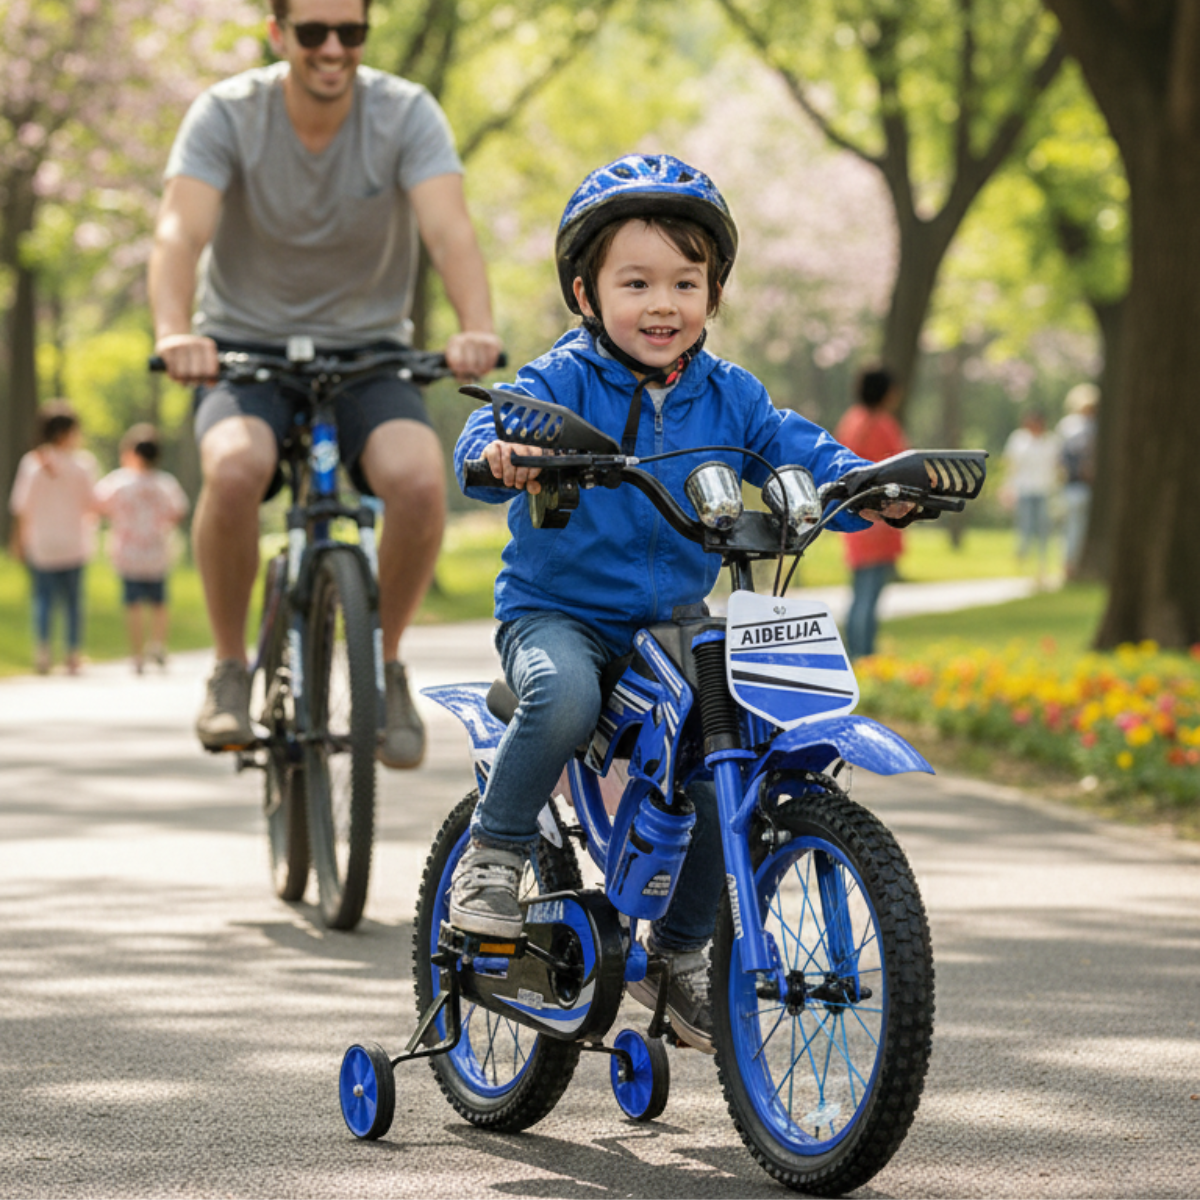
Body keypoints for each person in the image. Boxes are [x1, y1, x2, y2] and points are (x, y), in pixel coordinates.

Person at [447, 154, 911, 1052]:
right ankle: (494, 856)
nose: (662, 304)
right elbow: (493, 421)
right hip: (560, 614)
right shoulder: (563, 380)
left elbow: (795, 445)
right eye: (636, 282)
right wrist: (500, 452)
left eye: (684, 283)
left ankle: (681, 952)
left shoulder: (730, 394)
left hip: (676, 624)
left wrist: (862, 481)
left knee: (724, 753)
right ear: (586, 294)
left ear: (714, 293)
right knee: (565, 694)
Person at [149, 0, 502, 763]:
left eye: (352, 31)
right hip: (245, 349)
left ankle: (386, 665)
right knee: (235, 467)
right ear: (279, 34)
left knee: (415, 483)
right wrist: (175, 331)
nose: (333, 48)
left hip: (370, 351)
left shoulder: (405, 112)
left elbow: (449, 228)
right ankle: (228, 669)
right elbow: (180, 229)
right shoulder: (228, 113)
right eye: (313, 32)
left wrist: (475, 326)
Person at [7, 402, 99, 675]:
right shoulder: (83, 464)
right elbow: (90, 504)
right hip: (74, 542)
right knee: (72, 602)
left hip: (42, 543)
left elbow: (22, 507)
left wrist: (18, 541)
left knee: (43, 600)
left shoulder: (32, 462)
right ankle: (72, 655)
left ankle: (43, 652)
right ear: (67, 432)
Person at [95, 425, 190, 674]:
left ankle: (137, 655)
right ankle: (157, 644)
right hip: (157, 552)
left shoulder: (119, 481)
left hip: (128, 553)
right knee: (159, 603)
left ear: (132, 453)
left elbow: (98, 502)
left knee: (133, 604)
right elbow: (179, 510)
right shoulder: (165, 483)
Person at [834, 366, 907, 659]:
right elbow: (901, 467)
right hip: (881, 522)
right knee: (869, 596)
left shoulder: (851, 421)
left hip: (855, 520)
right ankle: (863, 655)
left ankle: (855, 652)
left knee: (859, 594)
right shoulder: (882, 425)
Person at [1002, 406, 1062, 589]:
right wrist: (1007, 487)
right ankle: (1023, 559)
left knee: (1043, 529)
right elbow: (1011, 465)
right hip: (1024, 489)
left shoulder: (1051, 441)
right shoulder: (1018, 440)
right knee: (1025, 526)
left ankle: (1041, 566)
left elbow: (1057, 467)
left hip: (1044, 490)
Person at [1057, 382, 1098, 581]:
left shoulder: (1072, 426)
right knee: (1074, 527)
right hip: (1075, 484)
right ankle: (1070, 566)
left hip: (1082, 486)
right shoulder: (1071, 426)